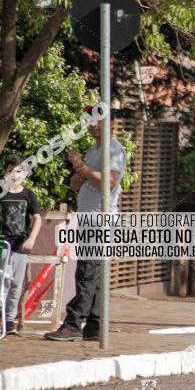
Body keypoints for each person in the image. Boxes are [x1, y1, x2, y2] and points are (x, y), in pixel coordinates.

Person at [46, 106, 126, 341]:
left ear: (109, 124)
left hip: (100, 218)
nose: (91, 124)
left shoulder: (113, 149)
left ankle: (72, 323)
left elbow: (109, 182)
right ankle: (95, 325)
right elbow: (74, 185)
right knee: (96, 272)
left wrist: (81, 165)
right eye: (90, 120)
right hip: (88, 216)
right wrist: (79, 169)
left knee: (87, 271)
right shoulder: (92, 151)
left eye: (97, 120)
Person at [1, 155, 43, 337]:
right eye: (10, 171)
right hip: (3, 244)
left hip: (20, 245)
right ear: (4, 172)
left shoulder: (28, 194)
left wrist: (31, 239)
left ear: (25, 174)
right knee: (3, 282)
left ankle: (10, 320)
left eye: (18, 171)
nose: (14, 175)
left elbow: (37, 219)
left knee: (16, 283)